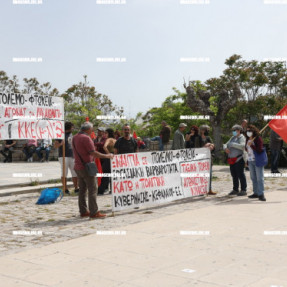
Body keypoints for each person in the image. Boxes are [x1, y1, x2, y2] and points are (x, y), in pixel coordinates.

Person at [72, 122, 114, 219]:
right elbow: (93, 153)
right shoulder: (86, 138)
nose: (93, 131)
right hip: (87, 167)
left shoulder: (75, 137)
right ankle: (94, 212)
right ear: (88, 129)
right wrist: (107, 156)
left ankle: (83, 211)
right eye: (92, 129)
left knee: (82, 190)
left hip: (78, 166)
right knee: (92, 190)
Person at [54, 122, 79, 195]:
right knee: (64, 173)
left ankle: (76, 188)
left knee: (74, 172)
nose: (73, 128)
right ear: (69, 128)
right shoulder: (60, 135)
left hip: (72, 156)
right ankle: (65, 188)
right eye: (72, 127)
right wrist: (61, 144)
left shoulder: (72, 135)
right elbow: (55, 146)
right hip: (63, 156)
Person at [224, 125, 247, 196]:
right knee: (234, 175)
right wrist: (225, 148)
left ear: (239, 130)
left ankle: (243, 190)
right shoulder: (232, 137)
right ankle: (235, 189)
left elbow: (243, 146)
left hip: (239, 159)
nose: (233, 132)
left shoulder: (242, 138)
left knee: (240, 174)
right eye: (233, 130)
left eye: (235, 130)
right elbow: (225, 144)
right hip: (232, 159)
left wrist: (233, 144)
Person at [246, 125, 266, 201]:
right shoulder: (247, 139)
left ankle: (261, 194)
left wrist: (252, 146)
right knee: (253, 178)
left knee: (259, 178)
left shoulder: (258, 139)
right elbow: (246, 149)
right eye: (247, 131)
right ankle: (256, 193)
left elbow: (260, 150)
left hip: (257, 161)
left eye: (250, 131)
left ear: (253, 131)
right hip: (250, 160)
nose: (248, 132)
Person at [198, 125, 216, 195]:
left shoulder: (208, 138)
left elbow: (213, 145)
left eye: (208, 130)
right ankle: (201, 190)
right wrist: (204, 146)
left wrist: (212, 145)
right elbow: (196, 148)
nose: (208, 131)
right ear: (202, 130)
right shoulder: (197, 138)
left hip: (209, 160)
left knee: (209, 175)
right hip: (200, 160)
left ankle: (209, 189)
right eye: (206, 130)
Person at [98, 128, 116, 195]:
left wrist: (108, 154)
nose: (104, 134)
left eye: (106, 133)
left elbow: (104, 147)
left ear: (109, 133)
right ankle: (112, 190)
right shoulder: (115, 140)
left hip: (108, 158)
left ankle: (101, 191)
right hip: (114, 157)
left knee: (105, 175)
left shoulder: (109, 139)